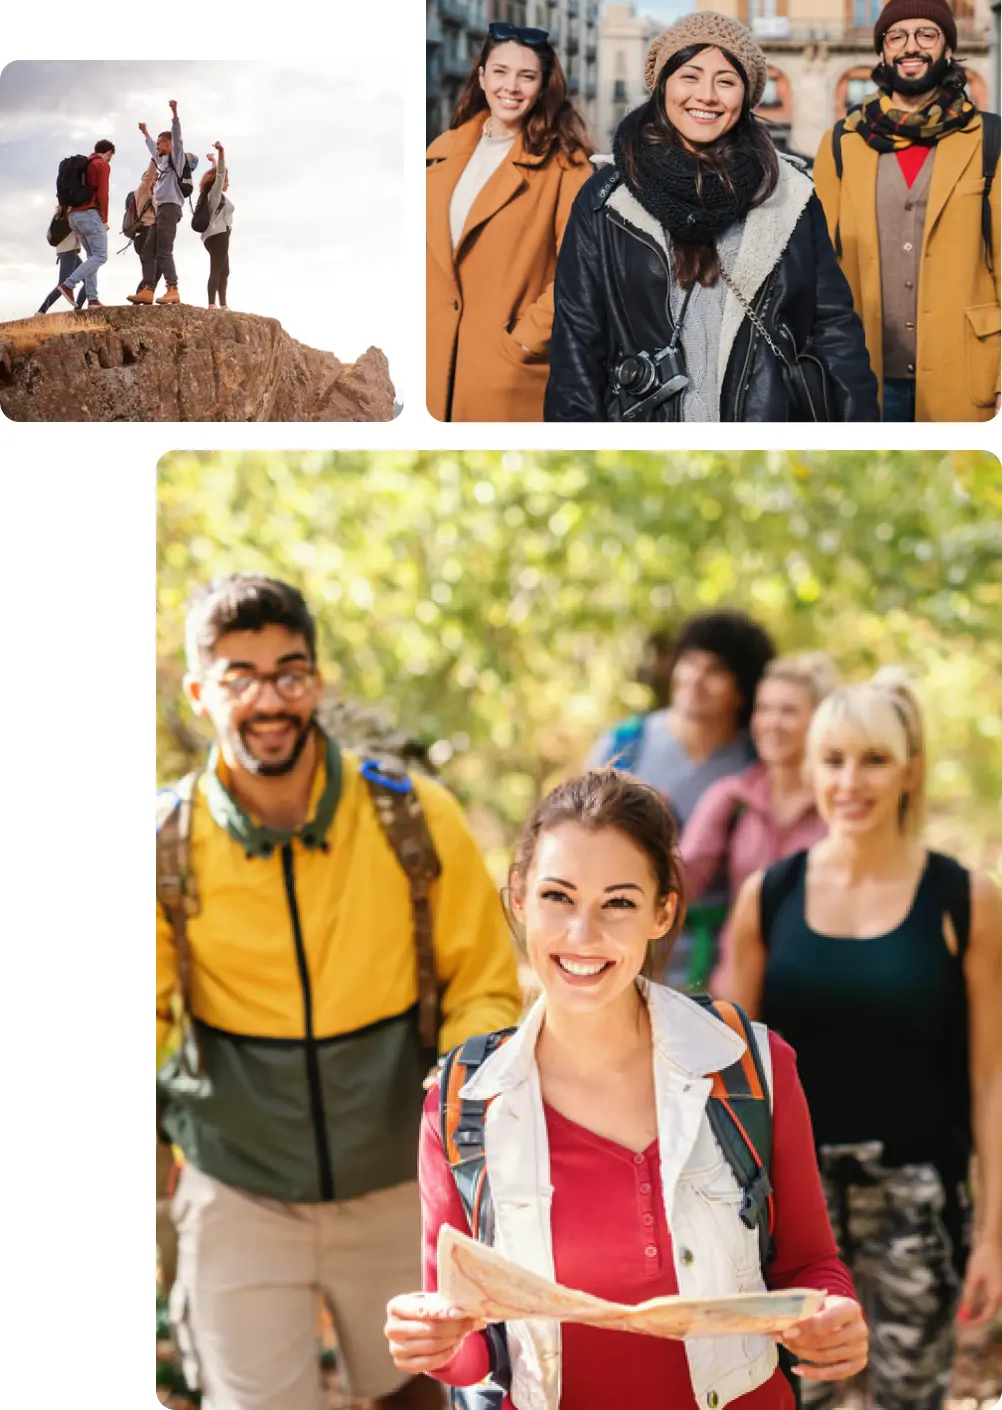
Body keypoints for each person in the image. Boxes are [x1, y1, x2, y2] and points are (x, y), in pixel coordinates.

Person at [385, 768, 868, 1408]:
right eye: (558, 897)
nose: (583, 936)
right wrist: (435, 1341)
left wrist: (834, 1318)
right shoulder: (460, 1102)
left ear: (662, 911)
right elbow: (472, 1349)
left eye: (618, 902)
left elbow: (811, 1265)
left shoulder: (750, 1066)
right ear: (520, 899)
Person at [157, 574, 522, 1410]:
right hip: (239, 1191)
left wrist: (459, 1096)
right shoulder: (164, 845)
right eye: (238, 678)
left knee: (420, 1399)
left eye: (289, 673)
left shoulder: (413, 817)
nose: (269, 699)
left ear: (316, 681)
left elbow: (483, 984)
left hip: (398, 1183)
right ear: (199, 692)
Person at [718, 671, 1002, 1410]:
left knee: (910, 1402)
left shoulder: (966, 900)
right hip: (792, 1208)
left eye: (874, 759)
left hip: (922, 1207)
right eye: (834, 759)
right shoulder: (769, 896)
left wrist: (994, 1235)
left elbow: (991, 1081)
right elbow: (725, 1076)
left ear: (909, 769)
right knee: (799, 1400)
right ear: (810, 768)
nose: (850, 781)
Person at [544, 13, 878, 422]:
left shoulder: (790, 195)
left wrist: (860, 429)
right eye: (690, 76)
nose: (706, 95)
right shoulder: (606, 199)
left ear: (747, 95)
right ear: (663, 85)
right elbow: (576, 344)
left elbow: (834, 328)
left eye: (726, 81)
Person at [813, 0, 1000, 423]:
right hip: (861, 375)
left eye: (926, 34)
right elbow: (820, 268)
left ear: (948, 49)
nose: (910, 46)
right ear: (883, 50)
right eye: (896, 36)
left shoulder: (991, 139)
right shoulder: (842, 143)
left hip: (971, 371)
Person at [590, 609, 776, 989]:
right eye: (689, 663)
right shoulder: (626, 745)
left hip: (723, 965)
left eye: (716, 671)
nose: (696, 679)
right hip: (627, 958)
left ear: (743, 691)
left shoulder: (760, 764)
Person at [426, 23, 593, 422]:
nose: (511, 87)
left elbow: (582, 271)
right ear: (481, 75)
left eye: (527, 76)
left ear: (543, 85)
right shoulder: (440, 153)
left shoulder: (566, 166)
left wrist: (522, 343)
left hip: (506, 381)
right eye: (500, 71)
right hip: (430, 373)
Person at [680, 652, 838, 992]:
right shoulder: (730, 798)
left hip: (819, 991)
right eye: (763, 709)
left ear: (820, 720)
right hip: (737, 993)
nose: (771, 722)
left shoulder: (840, 805)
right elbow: (680, 881)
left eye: (788, 711)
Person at [133, 99, 187, 305]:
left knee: (164, 250)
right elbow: (150, 149)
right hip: (161, 210)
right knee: (148, 250)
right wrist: (145, 133)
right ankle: (148, 289)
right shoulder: (162, 160)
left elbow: (178, 139)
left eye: (160, 143)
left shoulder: (176, 158)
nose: (157, 146)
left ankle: (172, 289)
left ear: (169, 144)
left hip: (171, 208)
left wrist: (175, 113)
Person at [55, 138, 115, 310]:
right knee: (101, 256)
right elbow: (103, 193)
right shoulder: (101, 164)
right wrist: (104, 219)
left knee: (92, 258)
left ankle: (93, 299)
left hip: (74, 216)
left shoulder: (82, 164)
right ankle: (69, 285)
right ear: (109, 153)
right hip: (90, 214)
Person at [199, 142, 234, 308]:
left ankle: (222, 304)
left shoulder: (214, 195)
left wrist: (212, 162)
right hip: (218, 235)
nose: (227, 184)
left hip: (216, 235)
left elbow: (216, 175)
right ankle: (213, 305)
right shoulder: (215, 194)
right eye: (227, 181)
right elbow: (219, 175)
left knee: (224, 270)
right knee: (216, 270)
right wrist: (221, 152)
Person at [37, 206, 86, 312]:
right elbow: (78, 231)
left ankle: (77, 310)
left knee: (88, 280)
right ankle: (41, 311)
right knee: (63, 285)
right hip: (69, 250)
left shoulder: (62, 209)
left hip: (65, 250)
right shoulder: (71, 208)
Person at [128, 159, 159, 300]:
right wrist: (155, 158)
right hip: (144, 234)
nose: (155, 180)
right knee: (151, 267)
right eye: (153, 177)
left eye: (157, 178)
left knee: (159, 269)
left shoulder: (157, 195)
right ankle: (141, 296)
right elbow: (148, 177)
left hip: (156, 233)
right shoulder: (141, 192)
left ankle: (145, 295)